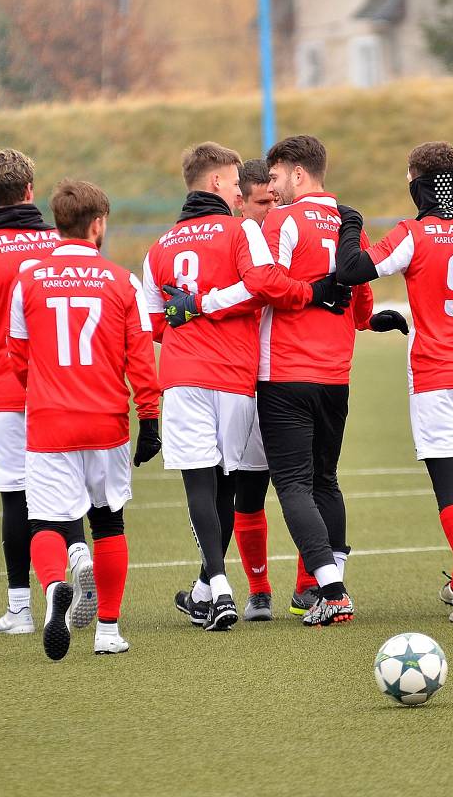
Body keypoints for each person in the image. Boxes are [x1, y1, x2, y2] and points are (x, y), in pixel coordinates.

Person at [143, 142, 351, 631]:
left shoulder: (159, 246)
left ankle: (215, 587)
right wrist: (312, 292)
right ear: (217, 182)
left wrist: (194, 307)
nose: (245, 192)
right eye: (238, 183)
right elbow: (265, 285)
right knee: (241, 484)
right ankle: (243, 588)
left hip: (182, 375)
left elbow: (156, 323)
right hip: (240, 378)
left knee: (204, 482)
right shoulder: (242, 232)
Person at [337, 141, 453, 622]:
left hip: (437, 374)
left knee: (449, 486)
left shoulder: (413, 233)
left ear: (416, 180)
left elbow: (351, 270)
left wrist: (350, 226)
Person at [0, 149, 97, 635]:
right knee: (64, 494)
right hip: (63, 392)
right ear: (31, 190)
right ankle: (76, 555)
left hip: (3, 393)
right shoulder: (63, 243)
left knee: (15, 497)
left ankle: (21, 609)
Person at [8, 179, 161, 660]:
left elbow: (16, 354)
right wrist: (150, 418)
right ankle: (109, 632)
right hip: (107, 420)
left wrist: (46, 388)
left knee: (47, 525)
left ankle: (55, 586)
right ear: (98, 225)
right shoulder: (121, 281)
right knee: (109, 524)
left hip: (50, 420)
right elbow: (140, 357)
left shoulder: (28, 279)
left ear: (57, 224)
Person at [255, 134, 403, 626]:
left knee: (293, 484)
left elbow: (268, 284)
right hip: (335, 376)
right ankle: (326, 587)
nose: (272, 188)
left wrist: (311, 293)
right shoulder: (348, 225)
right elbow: (360, 300)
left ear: (298, 174)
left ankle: (333, 590)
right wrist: (363, 317)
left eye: (275, 177)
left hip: (285, 372)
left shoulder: (282, 220)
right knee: (325, 482)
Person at [231, 158, 315, 621]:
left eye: (276, 199)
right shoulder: (237, 241)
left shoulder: (288, 237)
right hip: (244, 381)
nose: (272, 209)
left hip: (290, 378)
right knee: (248, 488)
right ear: (242, 200)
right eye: (264, 202)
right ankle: (258, 591)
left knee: (302, 484)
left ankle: (307, 585)